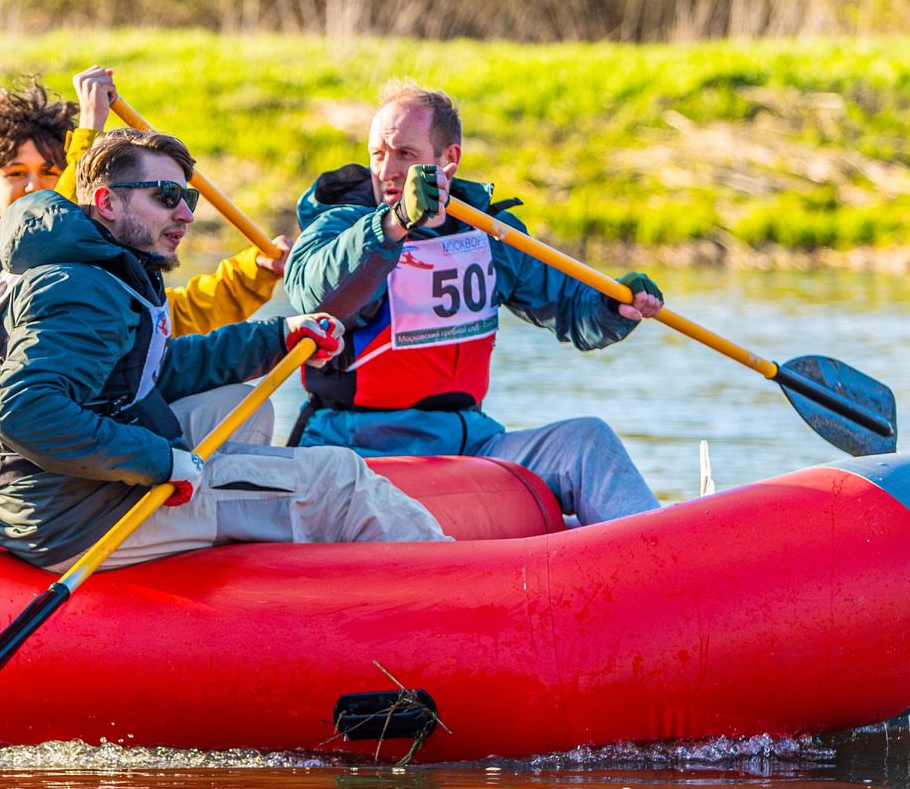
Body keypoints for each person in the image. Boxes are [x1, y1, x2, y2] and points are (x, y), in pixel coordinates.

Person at [0, 128, 449, 569]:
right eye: (166, 196)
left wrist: (278, 337)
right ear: (106, 202)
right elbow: (26, 413)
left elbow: (148, 370)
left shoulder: (92, 261)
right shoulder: (82, 285)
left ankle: (244, 542)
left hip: (55, 495)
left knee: (240, 405)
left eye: (187, 196)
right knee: (337, 479)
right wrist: (161, 462)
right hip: (74, 518)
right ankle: (456, 588)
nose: (187, 214)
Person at [283, 80, 665, 525]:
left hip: (469, 446)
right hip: (359, 452)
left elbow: (571, 307)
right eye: (378, 154)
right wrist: (394, 224)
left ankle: (662, 570)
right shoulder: (341, 224)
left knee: (588, 441)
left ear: (449, 160)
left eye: (405, 154)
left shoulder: (486, 230)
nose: (386, 170)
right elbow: (315, 293)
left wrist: (610, 305)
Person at [0, 69, 288, 338]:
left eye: (50, 173)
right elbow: (43, 239)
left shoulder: (96, 253)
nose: (34, 187)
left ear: (70, 178)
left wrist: (251, 273)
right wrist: (91, 126)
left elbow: (167, 319)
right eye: (17, 174)